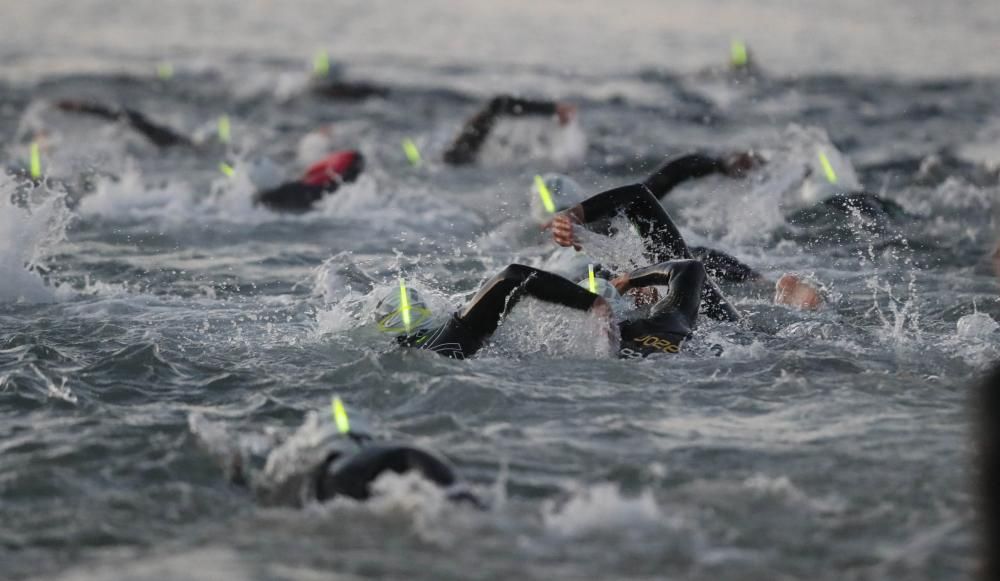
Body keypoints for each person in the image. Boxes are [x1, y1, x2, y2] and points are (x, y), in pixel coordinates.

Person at [218, 402, 480, 507]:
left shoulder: (294, 476)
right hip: (360, 471)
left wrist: (236, 472)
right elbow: (406, 455)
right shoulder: (358, 457)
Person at [443, 95, 576, 166]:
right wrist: (551, 109)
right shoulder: (456, 156)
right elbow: (499, 104)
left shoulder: (451, 157)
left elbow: (498, 105)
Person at [251, 149, 365, 212]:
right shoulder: (345, 161)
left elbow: (313, 170)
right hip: (308, 192)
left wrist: (305, 176)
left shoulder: (343, 160)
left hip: (302, 190)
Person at [54, 99, 193, 148]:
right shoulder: (146, 127)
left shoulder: (142, 126)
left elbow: (108, 113)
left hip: (165, 139)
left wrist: (82, 108)